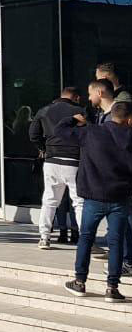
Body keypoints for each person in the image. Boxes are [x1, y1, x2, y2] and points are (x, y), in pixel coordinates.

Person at [56, 102, 132, 302]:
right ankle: (112, 287)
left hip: (93, 196)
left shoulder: (92, 132)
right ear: (129, 119)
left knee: (86, 238)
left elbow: (60, 131)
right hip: (120, 197)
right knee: (116, 242)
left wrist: (73, 119)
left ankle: (80, 282)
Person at [29, 87, 86, 248]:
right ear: (75, 97)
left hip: (52, 160)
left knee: (49, 200)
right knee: (79, 202)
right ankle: (85, 238)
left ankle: (44, 237)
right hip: (74, 159)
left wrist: (44, 148)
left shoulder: (44, 110)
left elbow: (33, 135)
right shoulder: (80, 111)